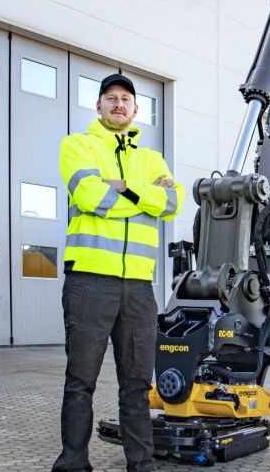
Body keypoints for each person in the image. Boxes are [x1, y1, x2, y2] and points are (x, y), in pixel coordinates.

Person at [53, 73, 184, 472]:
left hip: (139, 288)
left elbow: (173, 202)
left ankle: (140, 464)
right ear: (98, 106)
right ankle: (73, 462)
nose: (118, 105)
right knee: (81, 381)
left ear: (135, 110)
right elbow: (91, 196)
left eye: (125, 99)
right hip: (89, 282)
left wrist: (123, 186)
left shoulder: (152, 158)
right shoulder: (77, 146)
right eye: (110, 98)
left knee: (137, 385)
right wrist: (144, 195)